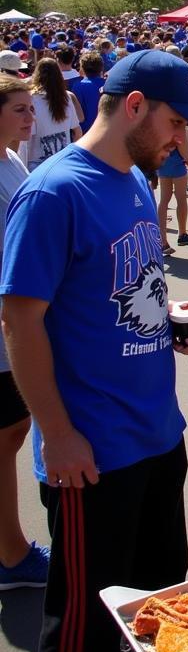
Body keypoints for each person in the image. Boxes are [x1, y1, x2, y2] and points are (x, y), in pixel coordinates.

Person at [0, 49, 188, 652]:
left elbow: (120, 290)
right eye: (176, 124)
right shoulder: (53, 193)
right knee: (83, 630)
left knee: (155, 608)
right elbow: (20, 321)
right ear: (134, 107)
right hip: (91, 453)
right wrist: (57, 433)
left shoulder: (131, 181)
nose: (182, 142)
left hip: (155, 435)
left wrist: (166, 327)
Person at [0, 77, 47, 591]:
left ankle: (9, 547)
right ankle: (10, 556)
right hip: (8, 318)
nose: (30, 118)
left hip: (14, 322)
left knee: (12, 433)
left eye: (30, 108)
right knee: (4, 436)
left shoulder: (12, 160)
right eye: (19, 109)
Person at [21, 59, 83, 172]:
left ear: (37, 75)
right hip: (63, 163)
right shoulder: (66, 98)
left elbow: (26, 138)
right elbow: (77, 132)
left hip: (38, 167)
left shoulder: (31, 100)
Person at [72, 50, 105, 134]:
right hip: (105, 131)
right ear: (101, 67)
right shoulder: (108, 84)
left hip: (86, 133)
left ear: (82, 68)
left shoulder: (78, 87)